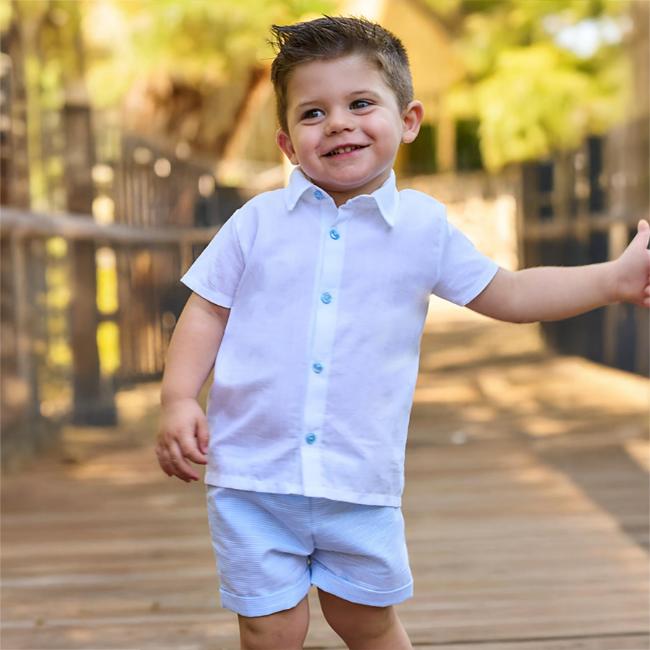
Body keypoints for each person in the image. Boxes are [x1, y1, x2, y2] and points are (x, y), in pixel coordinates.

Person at [155, 15, 650, 650]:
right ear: (286, 143)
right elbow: (207, 310)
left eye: (360, 103)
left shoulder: (422, 228)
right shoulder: (256, 223)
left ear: (408, 119)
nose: (337, 122)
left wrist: (612, 280)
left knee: (364, 619)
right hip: (253, 475)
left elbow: (512, 293)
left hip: (357, 478)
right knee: (269, 626)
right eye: (313, 113)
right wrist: (177, 398)